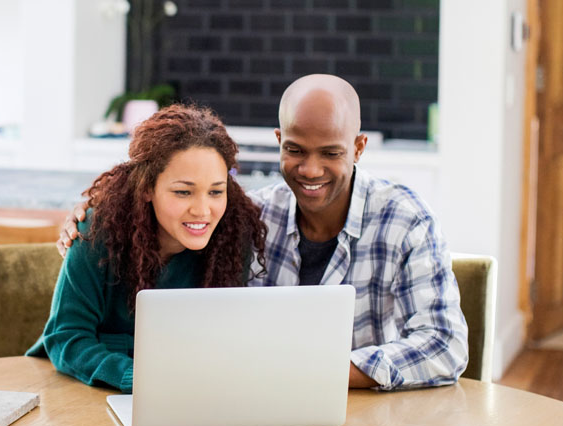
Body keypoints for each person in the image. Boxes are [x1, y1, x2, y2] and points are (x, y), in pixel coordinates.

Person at [59, 75, 468, 391]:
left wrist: (322, 372)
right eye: (295, 150)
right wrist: (94, 213)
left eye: (331, 153)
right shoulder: (250, 217)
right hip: (255, 405)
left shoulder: (406, 219)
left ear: (358, 148)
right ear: (279, 141)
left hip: (370, 413)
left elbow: (446, 345)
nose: (310, 169)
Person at [29, 104, 267, 392]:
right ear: (146, 188)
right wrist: (141, 377)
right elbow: (66, 337)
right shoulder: (97, 232)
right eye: (183, 192)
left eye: (216, 191)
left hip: (181, 392)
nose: (203, 210)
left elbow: (217, 341)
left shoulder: (231, 235)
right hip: (81, 389)